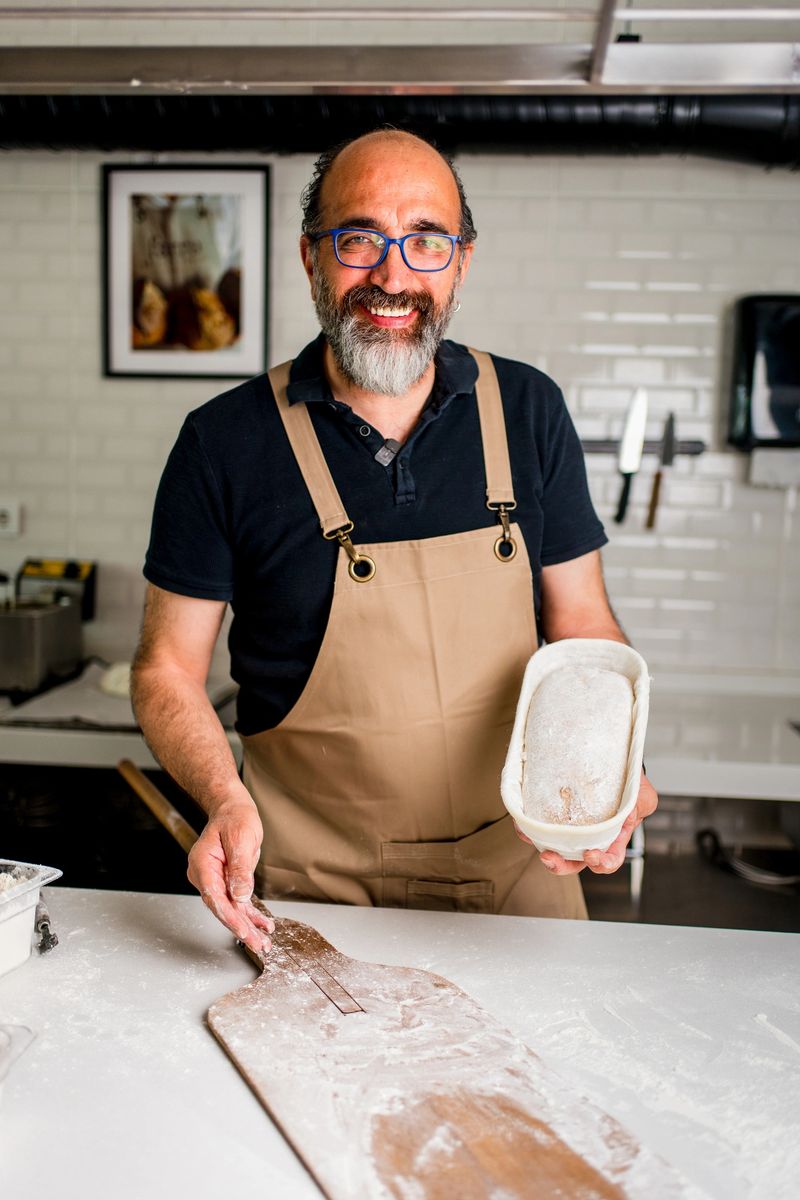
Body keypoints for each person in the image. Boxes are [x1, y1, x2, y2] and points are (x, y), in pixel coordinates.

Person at [132, 129, 658, 954]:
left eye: (424, 240)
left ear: (461, 261)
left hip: (520, 873)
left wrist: (607, 771)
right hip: (311, 891)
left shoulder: (528, 409)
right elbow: (165, 670)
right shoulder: (223, 442)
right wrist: (224, 798)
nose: (392, 274)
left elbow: (584, 624)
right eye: (359, 238)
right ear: (312, 257)